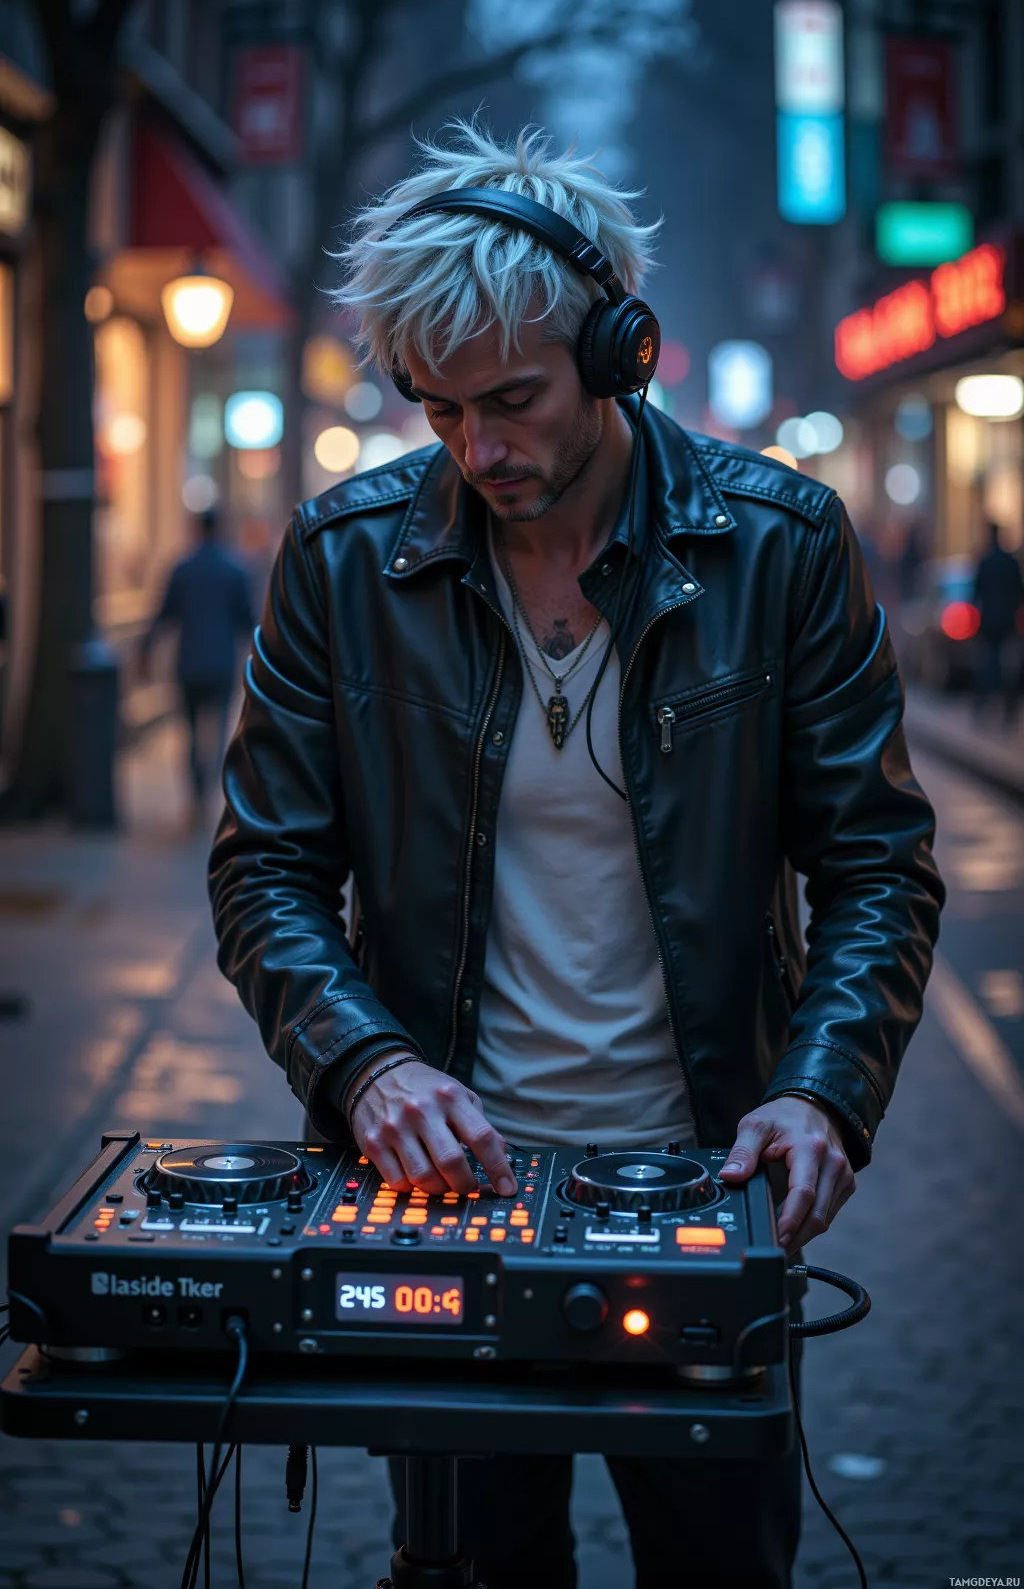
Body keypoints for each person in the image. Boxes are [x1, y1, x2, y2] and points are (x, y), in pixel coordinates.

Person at [208, 123, 944, 1589]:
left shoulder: (780, 544)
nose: (481, 450)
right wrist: (369, 1067)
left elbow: (876, 862)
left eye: (515, 400)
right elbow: (264, 871)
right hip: (439, 1209)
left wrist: (822, 1095)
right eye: (439, 412)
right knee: (471, 1570)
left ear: (622, 349)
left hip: (708, 1191)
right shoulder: (345, 560)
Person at [142, 507, 255, 811]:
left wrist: (146, 649)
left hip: (189, 661)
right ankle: (209, 785)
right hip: (221, 662)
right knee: (217, 727)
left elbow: (164, 615)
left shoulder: (182, 568)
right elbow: (248, 620)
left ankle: (196, 788)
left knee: (190, 730)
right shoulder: (235, 569)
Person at [971, 519, 1024, 724]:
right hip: (1007, 620)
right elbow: (1020, 591)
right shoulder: (1010, 561)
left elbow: (975, 592)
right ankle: (1007, 712)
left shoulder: (985, 561)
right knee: (1007, 665)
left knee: (989, 663)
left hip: (990, 621)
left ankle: (982, 708)